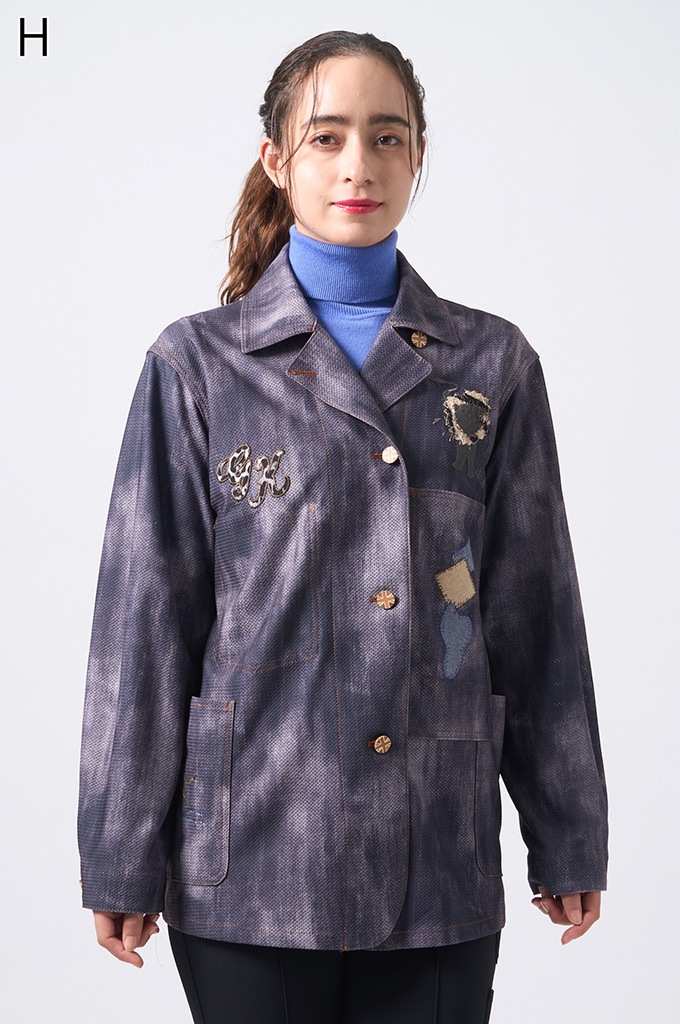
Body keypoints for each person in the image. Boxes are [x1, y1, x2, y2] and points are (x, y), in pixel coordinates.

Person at [78, 29, 608, 1024]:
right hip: (251, 859)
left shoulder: (490, 365)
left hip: (437, 858)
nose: (357, 164)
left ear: (418, 155)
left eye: (386, 136)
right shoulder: (199, 367)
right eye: (325, 137)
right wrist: (119, 851)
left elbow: (535, 614)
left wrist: (567, 829)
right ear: (277, 159)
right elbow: (144, 626)